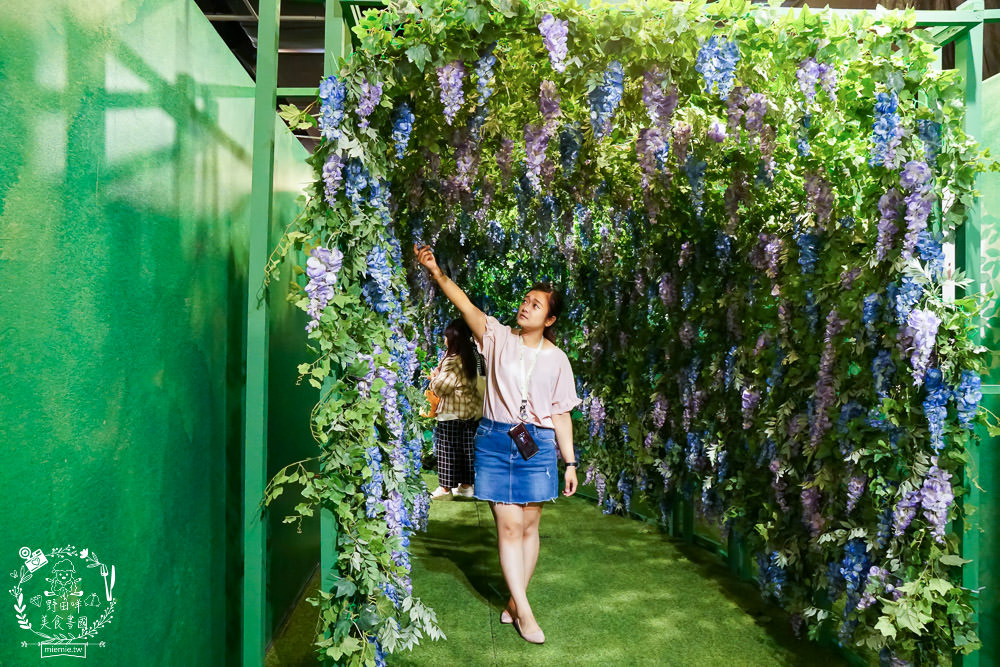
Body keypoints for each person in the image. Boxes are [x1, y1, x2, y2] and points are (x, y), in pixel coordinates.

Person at [414, 243, 581, 645]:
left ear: (550, 318)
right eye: (525, 301)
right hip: (494, 439)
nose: (526, 307)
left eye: (536, 305)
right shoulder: (497, 337)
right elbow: (465, 303)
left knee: (529, 527)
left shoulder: (557, 359)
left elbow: (561, 414)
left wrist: (570, 462)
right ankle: (525, 612)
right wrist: (436, 273)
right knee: (508, 526)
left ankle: (513, 600)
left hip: (537, 444)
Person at [429, 318, 483, 500]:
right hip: (471, 411)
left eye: (446, 336)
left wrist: (434, 378)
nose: (444, 340)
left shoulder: (452, 360)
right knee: (466, 451)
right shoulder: (474, 357)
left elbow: (443, 387)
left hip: (451, 412)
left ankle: (445, 489)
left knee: (447, 451)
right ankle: (466, 487)